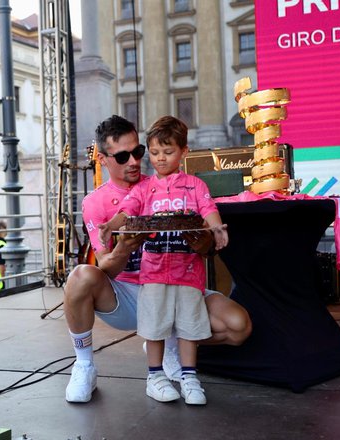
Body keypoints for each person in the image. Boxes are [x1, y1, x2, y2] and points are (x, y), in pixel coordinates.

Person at [63, 115, 251, 403]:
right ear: (102, 159)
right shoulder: (95, 203)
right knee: (80, 277)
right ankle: (84, 364)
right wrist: (124, 246)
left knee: (238, 326)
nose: (135, 162)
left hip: (178, 281)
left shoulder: (170, 183)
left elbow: (207, 239)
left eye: (138, 152)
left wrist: (206, 243)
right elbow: (106, 269)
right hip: (129, 294)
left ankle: (168, 345)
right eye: (123, 156)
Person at [98, 115, 228, 404]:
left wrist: (216, 227)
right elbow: (129, 212)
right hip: (154, 272)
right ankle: (155, 376)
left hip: (188, 273)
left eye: (168, 153)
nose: (159, 159)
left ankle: (189, 376)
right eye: (154, 153)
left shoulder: (195, 185)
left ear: (183, 152)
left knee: (189, 327)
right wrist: (110, 225)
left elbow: (208, 209)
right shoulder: (144, 189)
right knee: (154, 327)